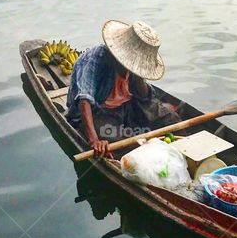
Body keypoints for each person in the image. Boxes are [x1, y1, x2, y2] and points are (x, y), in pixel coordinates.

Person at [66, 20, 181, 158]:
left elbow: (146, 98)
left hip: (127, 107)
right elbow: (84, 100)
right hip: (100, 113)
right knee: (124, 143)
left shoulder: (135, 69)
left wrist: (139, 76)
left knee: (171, 119)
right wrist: (94, 141)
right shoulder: (95, 59)